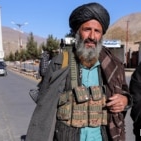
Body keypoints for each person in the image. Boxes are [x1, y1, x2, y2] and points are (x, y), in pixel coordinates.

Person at [25, 2, 132, 141]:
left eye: (97, 31)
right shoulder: (60, 63)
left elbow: (126, 94)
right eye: (87, 29)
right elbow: (44, 104)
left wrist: (125, 100)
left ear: (101, 35)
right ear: (77, 32)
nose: (92, 36)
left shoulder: (113, 65)